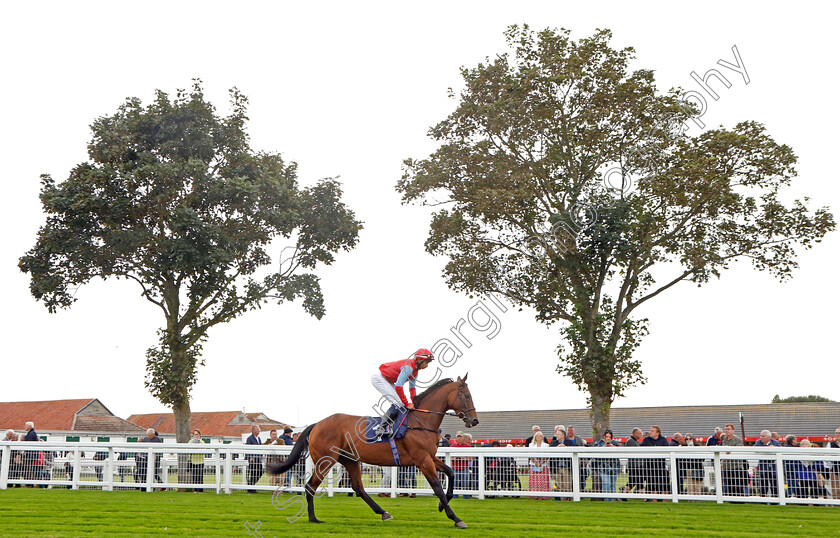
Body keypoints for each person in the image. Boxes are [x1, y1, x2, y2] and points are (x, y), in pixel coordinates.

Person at [371, 348, 435, 436]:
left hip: (388, 381)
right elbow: (398, 386)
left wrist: (414, 402)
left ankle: (391, 424)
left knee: (401, 404)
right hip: (380, 379)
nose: (427, 365)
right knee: (398, 404)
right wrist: (407, 403)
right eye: (427, 362)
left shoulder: (415, 371)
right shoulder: (409, 368)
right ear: (419, 360)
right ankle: (381, 428)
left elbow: (412, 389)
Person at [640, 425, 670, 500]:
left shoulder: (663, 440)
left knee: (663, 484)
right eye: (650, 431)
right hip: (649, 466)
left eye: (652, 431)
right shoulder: (646, 440)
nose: (650, 432)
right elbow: (642, 449)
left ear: (657, 433)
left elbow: (667, 449)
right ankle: (654, 500)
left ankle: (664, 499)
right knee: (651, 484)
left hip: (660, 466)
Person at [720, 423, 748, 497]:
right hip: (726, 466)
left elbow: (739, 450)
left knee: (738, 484)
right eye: (726, 429)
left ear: (733, 430)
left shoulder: (738, 439)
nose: (727, 431)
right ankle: (731, 499)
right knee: (729, 484)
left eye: (729, 429)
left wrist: (729, 450)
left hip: (736, 466)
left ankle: (740, 500)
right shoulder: (724, 439)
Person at [593, 430, 620, 501]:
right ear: (604, 436)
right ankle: (606, 499)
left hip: (614, 468)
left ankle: (612, 499)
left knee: (613, 485)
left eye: (609, 437)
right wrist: (604, 447)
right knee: (606, 483)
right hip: (603, 467)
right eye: (607, 436)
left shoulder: (615, 443)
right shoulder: (599, 443)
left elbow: (620, 450)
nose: (608, 438)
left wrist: (613, 447)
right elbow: (594, 451)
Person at [754, 429, 781, 497]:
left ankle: (775, 499)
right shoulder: (758, 442)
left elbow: (781, 450)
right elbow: (755, 450)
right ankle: (763, 499)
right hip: (763, 466)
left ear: (769, 437)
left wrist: (774, 448)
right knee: (763, 484)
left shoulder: (775, 443)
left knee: (774, 484)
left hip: (773, 466)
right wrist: (766, 448)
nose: (761, 438)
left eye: (763, 436)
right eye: (761, 436)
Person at [564, 426, 590, 492]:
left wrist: (584, 461)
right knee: (570, 478)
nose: (570, 432)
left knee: (581, 477)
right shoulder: (565, 439)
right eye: (569, 430)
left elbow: (583, 449)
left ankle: (581, 491)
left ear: (574, 431)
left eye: (571, 430)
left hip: (579, 462)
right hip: (568, 463)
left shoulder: (578, 439)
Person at [528, 431, 551, 500]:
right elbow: (530, 455)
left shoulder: (546, 445)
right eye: (537, 436)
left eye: (540, 436)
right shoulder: (531, 445)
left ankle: (544, 495)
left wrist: (542, 462)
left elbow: (548, 455)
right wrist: (535, 462)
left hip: (543, 465)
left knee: (543, 480)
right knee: (535, 480)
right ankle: (534, 495)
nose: (539, 437)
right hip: (534, 464)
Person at [549, 427, 571, 497]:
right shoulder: (554, 443)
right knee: (559, 485)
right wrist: (557, 448)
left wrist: (565, 447)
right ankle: (563, 499)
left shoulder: (569, 442)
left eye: (558, 434)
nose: (556, 436)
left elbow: (575, 448)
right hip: (557, 468)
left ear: (563, 435)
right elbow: (550, 452)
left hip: (566, 468)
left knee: (567, 485)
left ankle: (569, 499)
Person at [623, 427, 645, 496]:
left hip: (637, 465)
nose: (641, 435)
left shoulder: (635, 441)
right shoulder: (631, 441)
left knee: (637, 481)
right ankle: (624, 495)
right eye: (639, 433)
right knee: (634, 481)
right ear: (635, 433)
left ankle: (643, 496)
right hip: (634, 466)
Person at [450, 432, 472, 499]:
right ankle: (454, 496)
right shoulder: (452, 446)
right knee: (454, 483)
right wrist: (454, 458)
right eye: (458, 437)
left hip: (464, 467)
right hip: (455, 467)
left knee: (465, 482)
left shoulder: (468, 446)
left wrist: (464, 457)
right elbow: (449, 457)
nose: (459, 438)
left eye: (460, 437)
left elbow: (472, 457)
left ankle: (466, 496)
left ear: (463, 438)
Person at [245, 425, 263, 493]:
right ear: (253, 430)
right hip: (253, 459)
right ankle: (251, 488)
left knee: (260, 471)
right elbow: (248, 448)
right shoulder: (249, 438)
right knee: (253, 473)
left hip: (258, 458)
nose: (259, 430)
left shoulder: (259, 438)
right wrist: (250, 458)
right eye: (257, 429)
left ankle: (251, 485)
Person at [829, 428, 840, 500]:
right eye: (836, 433)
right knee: (835, 489)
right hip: (835, 470)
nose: (837, 434)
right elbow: (827, 457)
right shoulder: (830, 444)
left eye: (839, 433)